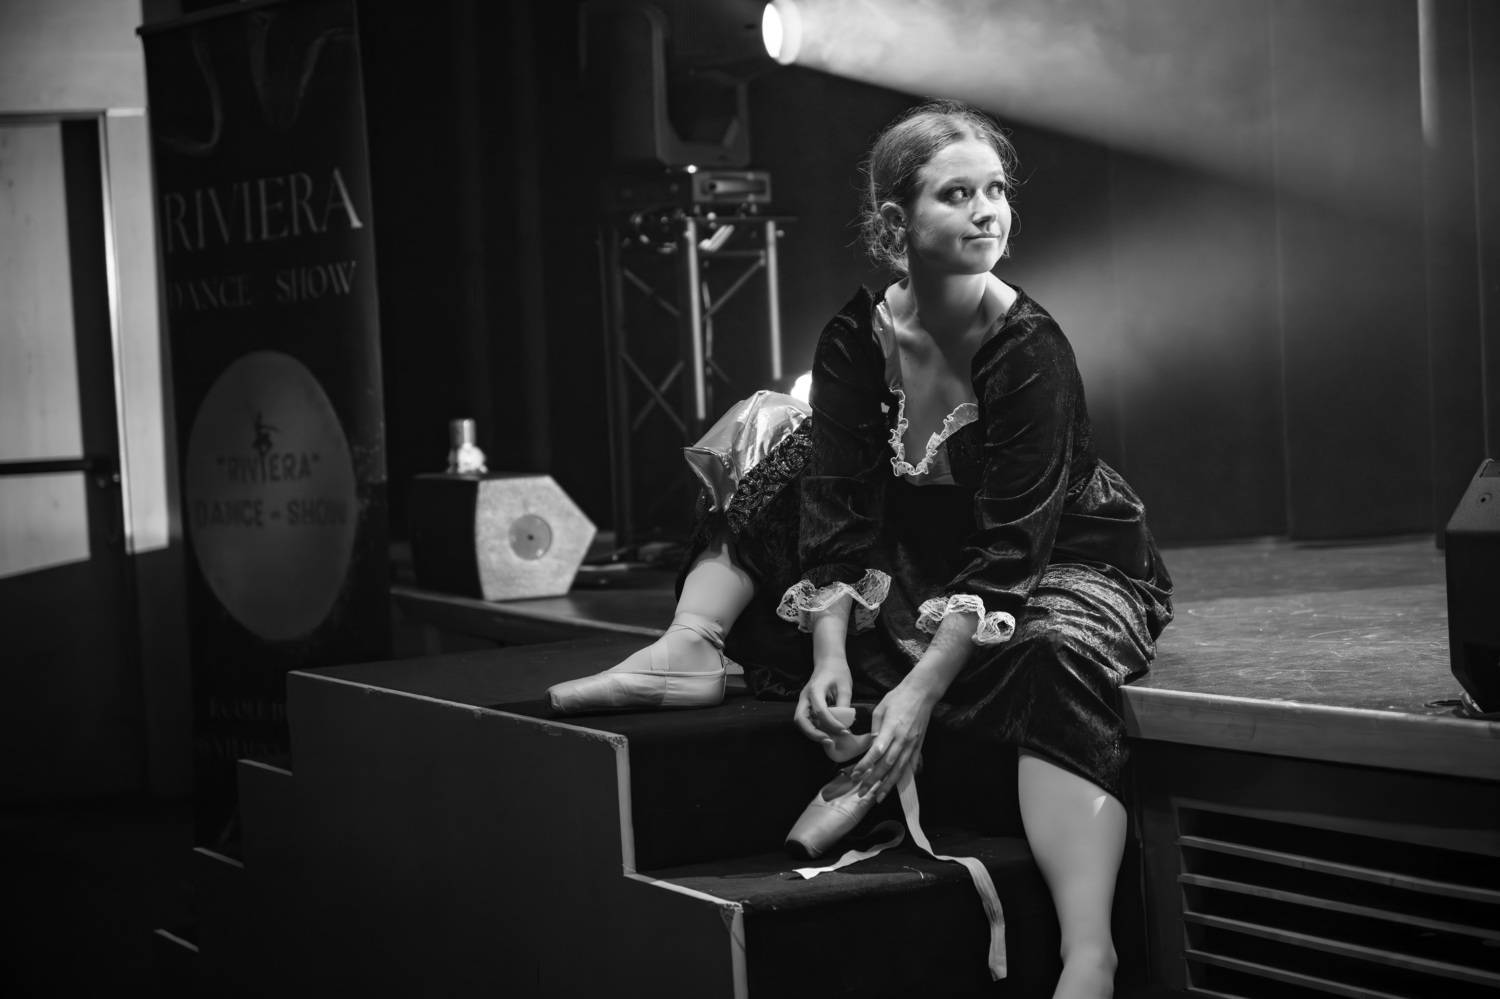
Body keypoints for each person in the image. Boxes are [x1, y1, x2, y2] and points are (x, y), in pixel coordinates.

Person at [547, 99, 1172, 999]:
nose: (988, 212)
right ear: (895, 221)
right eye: (957, 194)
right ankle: (691, 643)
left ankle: (1089, 952)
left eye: (996, 190)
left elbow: (1011, 546)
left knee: (1054, 653)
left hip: (1056, 553)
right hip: (921, 552)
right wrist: (829, 652)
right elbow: (839, 505)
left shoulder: (1030, 350)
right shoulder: (857, 335)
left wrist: (917, 691)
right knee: (786, 446)